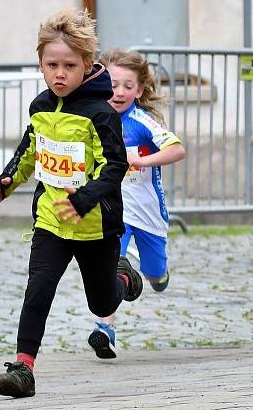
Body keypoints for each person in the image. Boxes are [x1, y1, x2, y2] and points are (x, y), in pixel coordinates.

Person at [0, 9, 142, 398]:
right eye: (51, 64)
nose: (59, 74)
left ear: (87, 65)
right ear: (40, 63)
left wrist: (85, 198)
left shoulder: (101, 113)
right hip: (51, 220)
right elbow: (30, 151)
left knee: (101, 300)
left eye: (69, 66)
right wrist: (7, 182)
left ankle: (123, 276)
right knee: (38, 289)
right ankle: (23, 368)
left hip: (94, 226)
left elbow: (115, 165)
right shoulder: (40, 106)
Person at [86, 48, 186, 359]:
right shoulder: (92, 118)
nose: (119, 92)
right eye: (114, 84)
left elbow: (177, 150)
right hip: (115, 210)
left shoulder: (141, 121)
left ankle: (159, 275)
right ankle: (105, 329)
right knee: (112, 266)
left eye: (128, 86)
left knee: (154, 272)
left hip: (148, 213)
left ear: (139, 90)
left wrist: (142, 160)